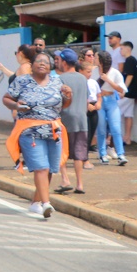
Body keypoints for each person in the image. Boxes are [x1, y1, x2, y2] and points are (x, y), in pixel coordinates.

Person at [3, 52, 72, 218]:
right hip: (30, 130)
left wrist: (68, 95)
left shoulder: (57, 81)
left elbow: (65, 104)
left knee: (50, 168)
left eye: (46, 62)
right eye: (39, 61)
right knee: (41, 167)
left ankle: (35, 203)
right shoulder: (22, 81)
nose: (42, 64)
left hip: (54, 129)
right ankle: (46, 204)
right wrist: (16, 105)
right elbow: (6, 99)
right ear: (32, 65)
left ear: (50, 66)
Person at [54, 49, 88, 195]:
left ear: (64, 62)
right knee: (79, 152)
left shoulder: (60, 79)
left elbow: (57, 101)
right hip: (81, 119)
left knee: (61, 150)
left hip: (65, 119)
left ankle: (65, 179)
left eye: (59, 60)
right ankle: (80, 184)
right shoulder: (83, 78)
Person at [94, 51, 128, 165]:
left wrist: (108, 80)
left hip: (111, 100)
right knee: (101, 128)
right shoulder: (94, 71)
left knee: (116, 128)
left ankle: (121, 154)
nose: (94, 58)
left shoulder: (115, 72)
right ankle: (102, 154)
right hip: (99, 101)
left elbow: (121, 89)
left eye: (96, 57)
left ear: (102, 60)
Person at [119, 41, 137, 144]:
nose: (120, 51)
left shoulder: (129, 60)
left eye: (121, 48)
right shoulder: (133, 61)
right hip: (133, 93)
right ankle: (127, 138)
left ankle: (112, 138)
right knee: (128, 115)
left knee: (116, 112)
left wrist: (123, 89)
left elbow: (130, 76)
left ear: (127, 49)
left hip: (128, 93)